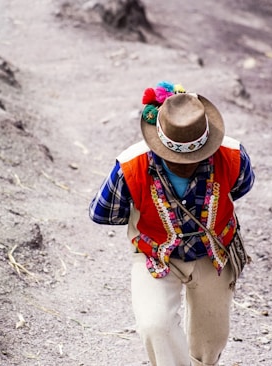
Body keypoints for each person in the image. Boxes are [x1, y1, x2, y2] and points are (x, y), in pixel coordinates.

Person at [89, 81, 255, 366]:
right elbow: (102, 211)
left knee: (211, 340)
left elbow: (240, 187)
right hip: (155, 254)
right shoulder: (130, 165)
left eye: (192, 157)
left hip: (213, 253)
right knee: (155, 325)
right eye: (176, 158)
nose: (185, 164)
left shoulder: (233, 156)